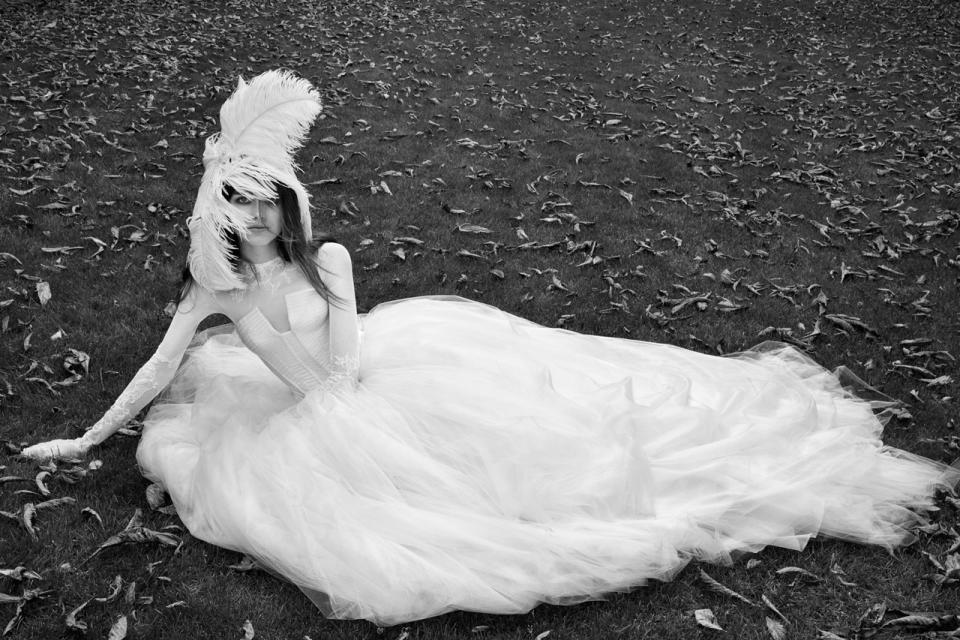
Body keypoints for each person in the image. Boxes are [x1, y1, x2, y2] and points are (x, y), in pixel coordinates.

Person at [21, 70, 958, 625]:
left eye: (268, 199)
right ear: (219, 215)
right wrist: (90, 438)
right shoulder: (218, 292)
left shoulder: (330, 258)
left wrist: (325, 328)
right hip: (300, 406)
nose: (258, 216)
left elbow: (344, 363)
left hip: (373, 373)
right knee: (410, 506)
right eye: (239, 204)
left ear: (289, 200)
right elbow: (161, 365)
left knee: (540, 434)